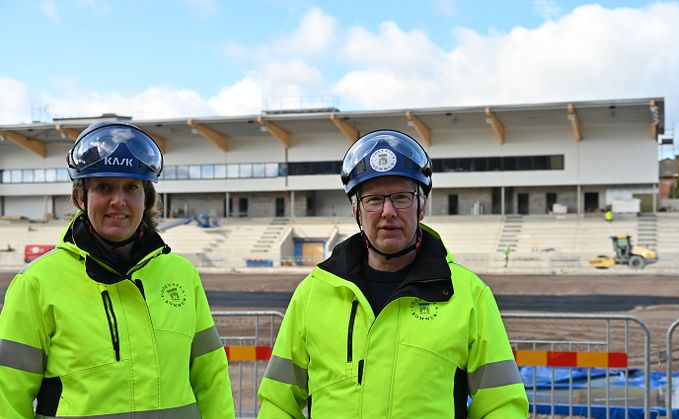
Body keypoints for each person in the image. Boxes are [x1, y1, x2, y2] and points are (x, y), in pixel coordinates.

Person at [258, 130, 528, 418]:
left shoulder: (468, 295)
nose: (388, 211)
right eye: (373, 199)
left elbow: (501, 406)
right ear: (356, 211)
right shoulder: (312, 294)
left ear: (422, 206)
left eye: (401, 197)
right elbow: (279, 404)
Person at [0, 122, 234, 418]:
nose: (118, 201)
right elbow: (7, 395)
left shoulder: (182, 275)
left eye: (131, 187)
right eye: (104, 187)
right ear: (80, 198)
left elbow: (211, 377)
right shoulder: (36, 283)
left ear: (147, 198)